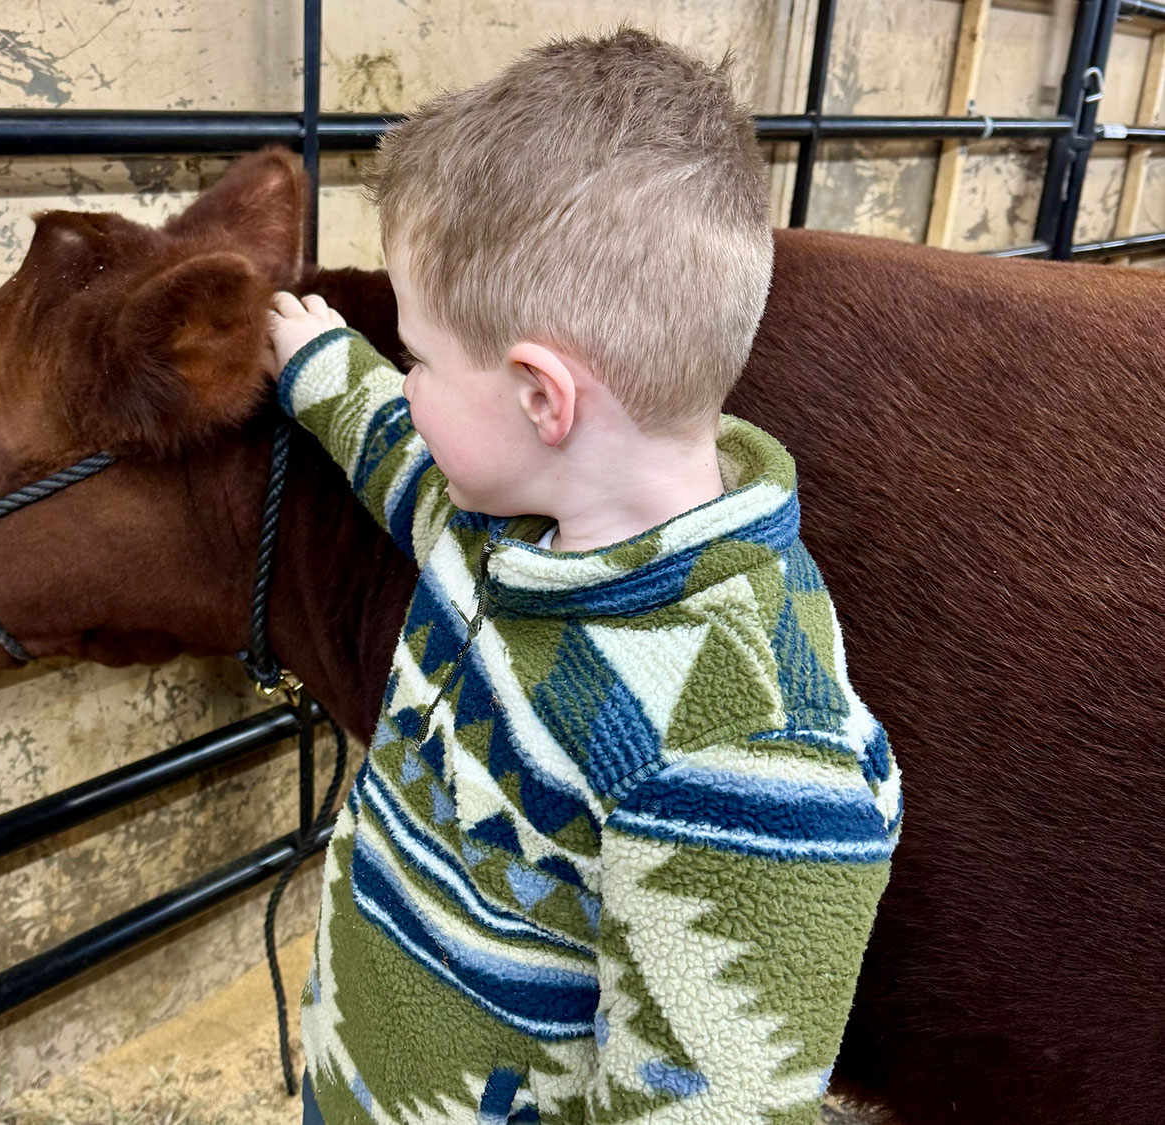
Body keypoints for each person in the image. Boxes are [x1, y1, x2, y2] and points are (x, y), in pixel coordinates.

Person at [265, 27, 901, 1125]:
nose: (405, 385)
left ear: (542, 398)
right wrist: (324, 366)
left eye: (417, 356)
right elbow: (406, 463)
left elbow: (708, 1102)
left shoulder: (742, 757)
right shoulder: (508, 530)